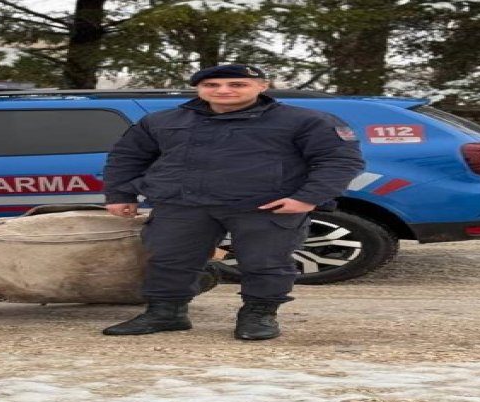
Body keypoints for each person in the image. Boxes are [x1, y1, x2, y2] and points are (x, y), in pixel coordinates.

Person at [101, 64, 365, 340]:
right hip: (182, 204)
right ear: (199, 88)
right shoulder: (162, 121)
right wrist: (120, 194)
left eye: (237, 85)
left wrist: (307, 198)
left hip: (264, 206)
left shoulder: (305, 120)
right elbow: (127, 157)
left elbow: (340, 160)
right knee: (170, 260)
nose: (223, 90)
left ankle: (258, 315)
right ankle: (165, 313)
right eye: (212, 85)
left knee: (265, 263)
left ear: (262, 86)